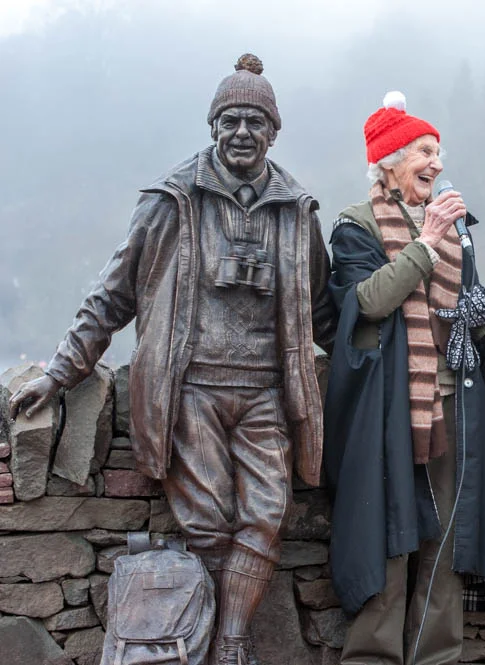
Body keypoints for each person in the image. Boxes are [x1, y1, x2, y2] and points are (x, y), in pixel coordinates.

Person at [8, 54, 335, 665]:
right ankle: (213, 644)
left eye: (255, 122)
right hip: (191, 390)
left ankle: (231, 637)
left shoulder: (297, 210)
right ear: (212, 126)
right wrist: (59, 372)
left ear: (274, 130)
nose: (242, 133)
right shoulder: (171, 200)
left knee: (267, 514)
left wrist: (380, 372)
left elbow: (324, 313)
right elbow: (113, 294)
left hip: (266, 390)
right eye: (231, 120)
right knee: (207, 525)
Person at [324, 92, 485, 665]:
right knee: (387, 538)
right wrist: (426, 240)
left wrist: (478, 319)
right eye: (424, 151)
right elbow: (367, 302)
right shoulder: (355, 227)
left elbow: (473, 326)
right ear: (389, 160)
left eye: (438, 152)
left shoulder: (460, 230)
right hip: (386, 410)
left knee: (445, 549)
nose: (437, 163)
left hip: (452, 406)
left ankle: (437, 659)